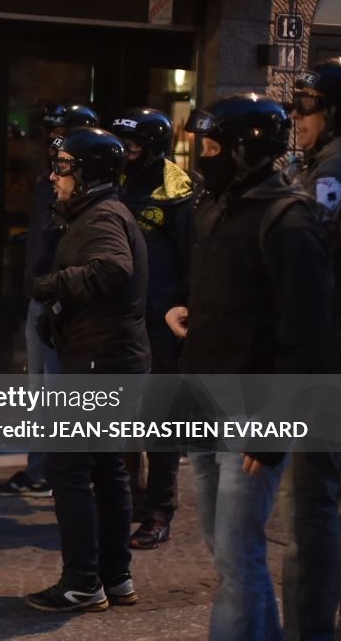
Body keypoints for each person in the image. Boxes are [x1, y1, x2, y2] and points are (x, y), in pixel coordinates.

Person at [169, 94, 332, 641]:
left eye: (212, 147)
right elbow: (223, 290)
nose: (202, 157)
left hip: (251, 415)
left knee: (239, 558)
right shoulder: (215, 207)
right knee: (224, 552)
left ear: (246, 150)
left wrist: (272, 429)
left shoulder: (289, 221)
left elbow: (307, 336)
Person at [25, 127, 150, 612]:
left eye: (63, 168)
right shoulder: (102, 212)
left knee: (69, 467)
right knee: (106, 467)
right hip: (112, 358)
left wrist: (56, 285)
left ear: (90, 174)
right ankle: (114, 577)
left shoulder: (101, 217)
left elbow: (113, 269)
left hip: (100, 364)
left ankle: (82, 582)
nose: (55, 177)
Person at [281, 57, 341, 641]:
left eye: (307, 104)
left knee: (311, 512)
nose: (296, 114)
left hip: (338, 360)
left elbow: (301, 256)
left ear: (338, 111)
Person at [0, 103, 98, 499]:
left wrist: (54, 292)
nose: (52, 143)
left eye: (60, 133)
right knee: (41, 390)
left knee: (58, 392)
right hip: (41, 294)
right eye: (50, 133)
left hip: (62, 301)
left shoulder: (87, 188)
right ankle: (41, 471)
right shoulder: (48, 179)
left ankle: (59, 474)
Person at [111, 107, 194, 549]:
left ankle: (160, 509)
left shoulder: (179, 192)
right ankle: (128, 497)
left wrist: (180, 305)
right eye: (123, 145)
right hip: (122, 317)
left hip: (160, 320)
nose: (127, 153)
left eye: (135, 146)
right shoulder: (114, 181)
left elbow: (191, 259)